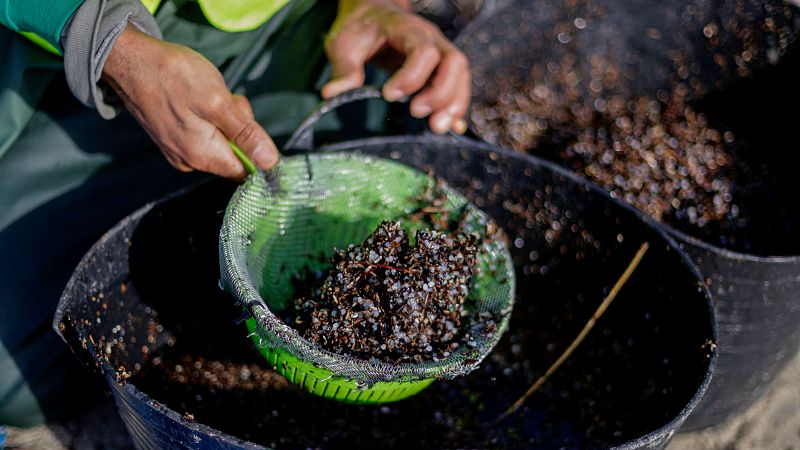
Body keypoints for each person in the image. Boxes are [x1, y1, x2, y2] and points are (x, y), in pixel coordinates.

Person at [0, 0, 471, 427]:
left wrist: (374, 7)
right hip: (93, 28)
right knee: (13, 378)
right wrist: (112, 45)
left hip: (287, 21)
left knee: (381, 143)